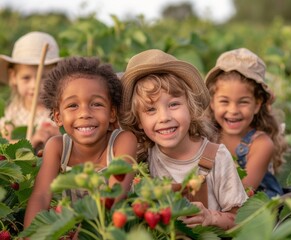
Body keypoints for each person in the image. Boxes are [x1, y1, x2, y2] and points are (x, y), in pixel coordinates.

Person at [120, 49, 248, 230]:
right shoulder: (142, 160)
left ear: (191, 107)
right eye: (150, 110)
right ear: (139, 121)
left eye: (173, 104)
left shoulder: (216, 156)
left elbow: (241, 219)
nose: (164, 117)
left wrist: (210, 217)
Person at [24, 56, 138, 228]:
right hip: (72, 230)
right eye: (72, 106)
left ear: (112, 113)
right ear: (58, 116)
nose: (85, 113)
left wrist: (84, 233)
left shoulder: (122, 141)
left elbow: (115, 194)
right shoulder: (57, 147)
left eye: (97, 104)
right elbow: (41, 196)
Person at [205, 48, 288, 198]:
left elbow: (241, 194)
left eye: (243, 102)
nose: (233, 110)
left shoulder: (261, 144)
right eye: (224, 101)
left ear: (257, 104)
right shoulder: (208, 135)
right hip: (215, 207)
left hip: (254, 212)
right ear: (212, 103)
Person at [0, 31, 61, 151]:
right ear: (13, 77)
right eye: (26, 78)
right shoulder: (13, 112)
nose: (35, 85)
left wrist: (57, 134)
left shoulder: (59, 110)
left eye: (43, 77)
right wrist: (31, 142)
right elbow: (5, 145)